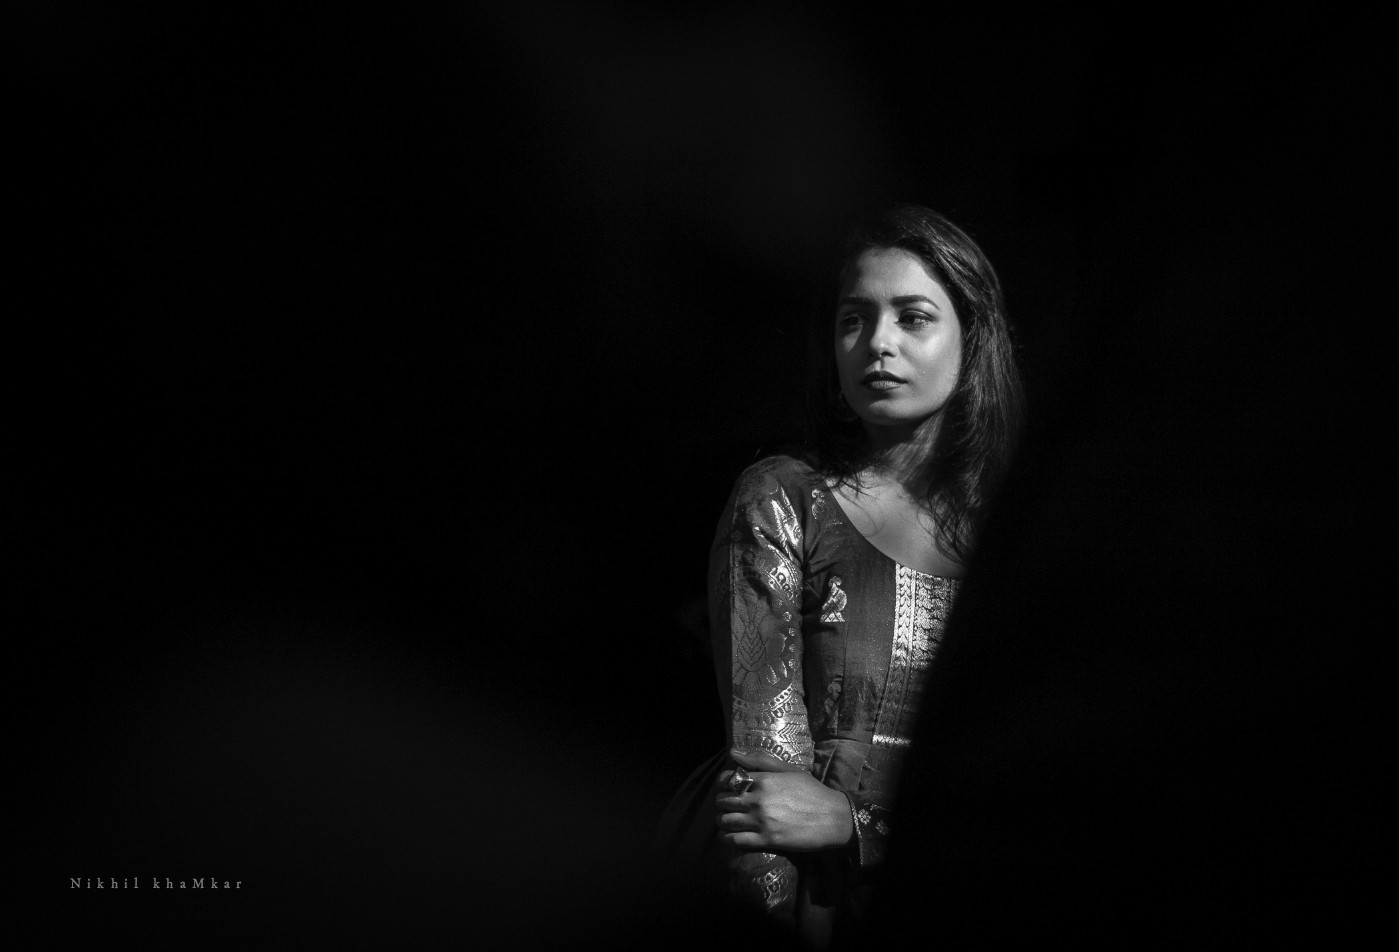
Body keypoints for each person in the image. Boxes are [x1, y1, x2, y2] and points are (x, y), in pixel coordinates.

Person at [660, 205, 1023, 949]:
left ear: (973, 336)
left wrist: (855, 824)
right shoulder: (787, 497)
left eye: (913, 317)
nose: (878, 342)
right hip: (801, 893)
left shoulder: (1018, 530)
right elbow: (770, 793)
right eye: (854, 319)